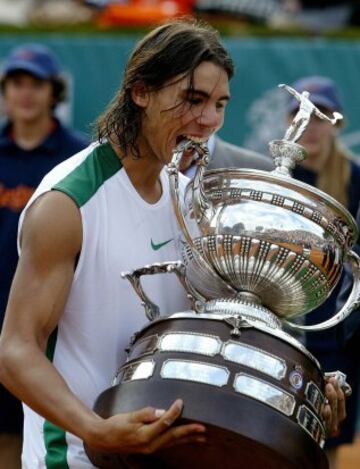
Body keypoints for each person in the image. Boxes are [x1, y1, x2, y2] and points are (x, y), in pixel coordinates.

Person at [0, 20, 345, 468]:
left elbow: (222, 330)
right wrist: (93, 427)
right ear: (141, 92)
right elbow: (15, 349)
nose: (209, 121)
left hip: (165, 454)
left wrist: (301, 392)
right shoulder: (68, 204)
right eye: (193, 99)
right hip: (75, 457)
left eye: (220, 104)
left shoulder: (191, 200)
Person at [0, 43, 89, 468]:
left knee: (40, 437)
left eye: (36, 83)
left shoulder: (80, 159)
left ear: (55, 92)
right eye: (16, 83)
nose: (25, 93)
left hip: (52, 330)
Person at [285, 75, 360, 469]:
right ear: (288, 123)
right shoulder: (276, 177)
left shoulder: (356, 180)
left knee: (326, 447)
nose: (311, 124)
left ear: (338, 123)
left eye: (321, 115)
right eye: (301, 114)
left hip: (337, 336)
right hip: (285, 329)